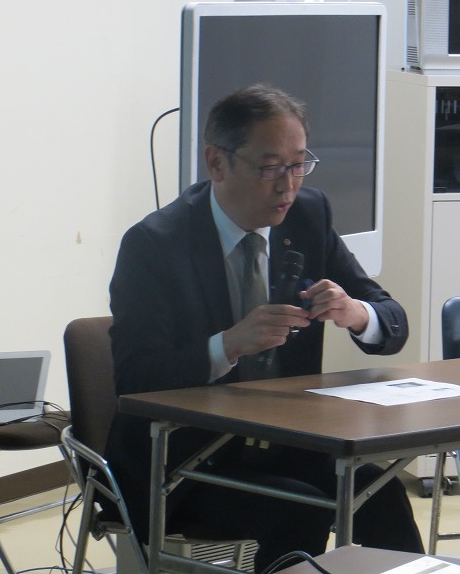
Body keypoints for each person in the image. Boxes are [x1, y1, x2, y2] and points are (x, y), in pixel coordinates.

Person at [103, 83, 423, 572]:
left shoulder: (309, 214)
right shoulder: (154, 245)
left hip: (286, 444)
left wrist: (355, 312)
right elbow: (135, 379)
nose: (287, 186)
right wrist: (227, 346)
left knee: (381, 493)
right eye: (270, 167)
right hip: (183, 461)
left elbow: (392, 321)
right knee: (300, 510)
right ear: (217, 163)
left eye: (298, 165)